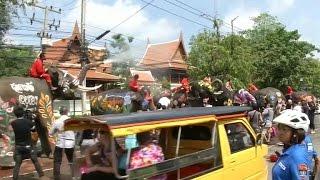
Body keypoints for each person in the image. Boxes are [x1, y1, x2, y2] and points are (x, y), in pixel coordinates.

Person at [272, 109, 310, 180]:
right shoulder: (289, 151)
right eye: (279, 128)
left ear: (295, 133)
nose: (280, 132)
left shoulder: (297, 157)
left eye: (284, 129)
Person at [10, 105, 45, 180]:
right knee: (35, 161)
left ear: (15, 113)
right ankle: (42, 176)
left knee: (18, 164)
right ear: (23, 113)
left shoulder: (13, 123)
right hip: (29, 146)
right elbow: (34, 130)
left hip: (18, 146)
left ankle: (14, 178)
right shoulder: (28, 122)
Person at [49, 106, 75, 180]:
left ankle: (56, 177)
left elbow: (50, 133)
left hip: (60, 143)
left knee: (57, 161)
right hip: (70, 143)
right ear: (67, 112)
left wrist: (57, 132)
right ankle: (74, 176)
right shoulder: (72, 120)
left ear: (60, 112)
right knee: (72, 160)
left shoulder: (57, 121)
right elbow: (77, 131)